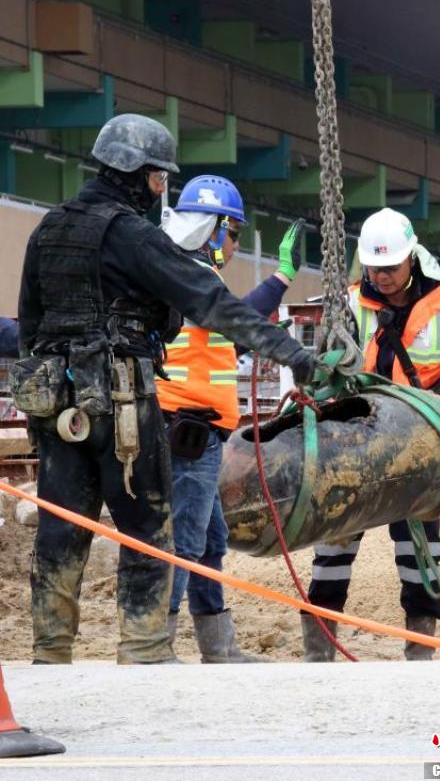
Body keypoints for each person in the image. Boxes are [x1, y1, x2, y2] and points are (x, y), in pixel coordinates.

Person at [15, 113, 314, 665]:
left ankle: (49, 655)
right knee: (148, 528)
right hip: (124, 407)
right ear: (139, 174)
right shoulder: (132, 234)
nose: (161, 190)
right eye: (159, 179)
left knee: (61, 528)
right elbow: (212, 302)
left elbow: (29, 325)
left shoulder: (49, 229)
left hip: (58, 409)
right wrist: (294, 355)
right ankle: (146, 652)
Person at [302, 207, 440, 661]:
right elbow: (323, 363)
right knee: (335, 542)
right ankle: (319, 651)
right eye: (373, 267)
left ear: (411, 260)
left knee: (420, 549)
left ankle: (420, 649)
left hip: (419, 441)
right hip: (356, 436)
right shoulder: (348, 304)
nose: (380, 276)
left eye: (390, 267)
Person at [156, 175, 303, 662]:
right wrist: (280, 280)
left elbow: (231, 335)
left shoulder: (192, 273)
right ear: (214, 228)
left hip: (204, 435)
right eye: (234, 233)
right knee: (186, 539)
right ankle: (156, 646)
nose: (237, 245)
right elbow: (236, 318)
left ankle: (217, 646)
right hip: (186, 430)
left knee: (211, 538)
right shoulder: (186, 272)